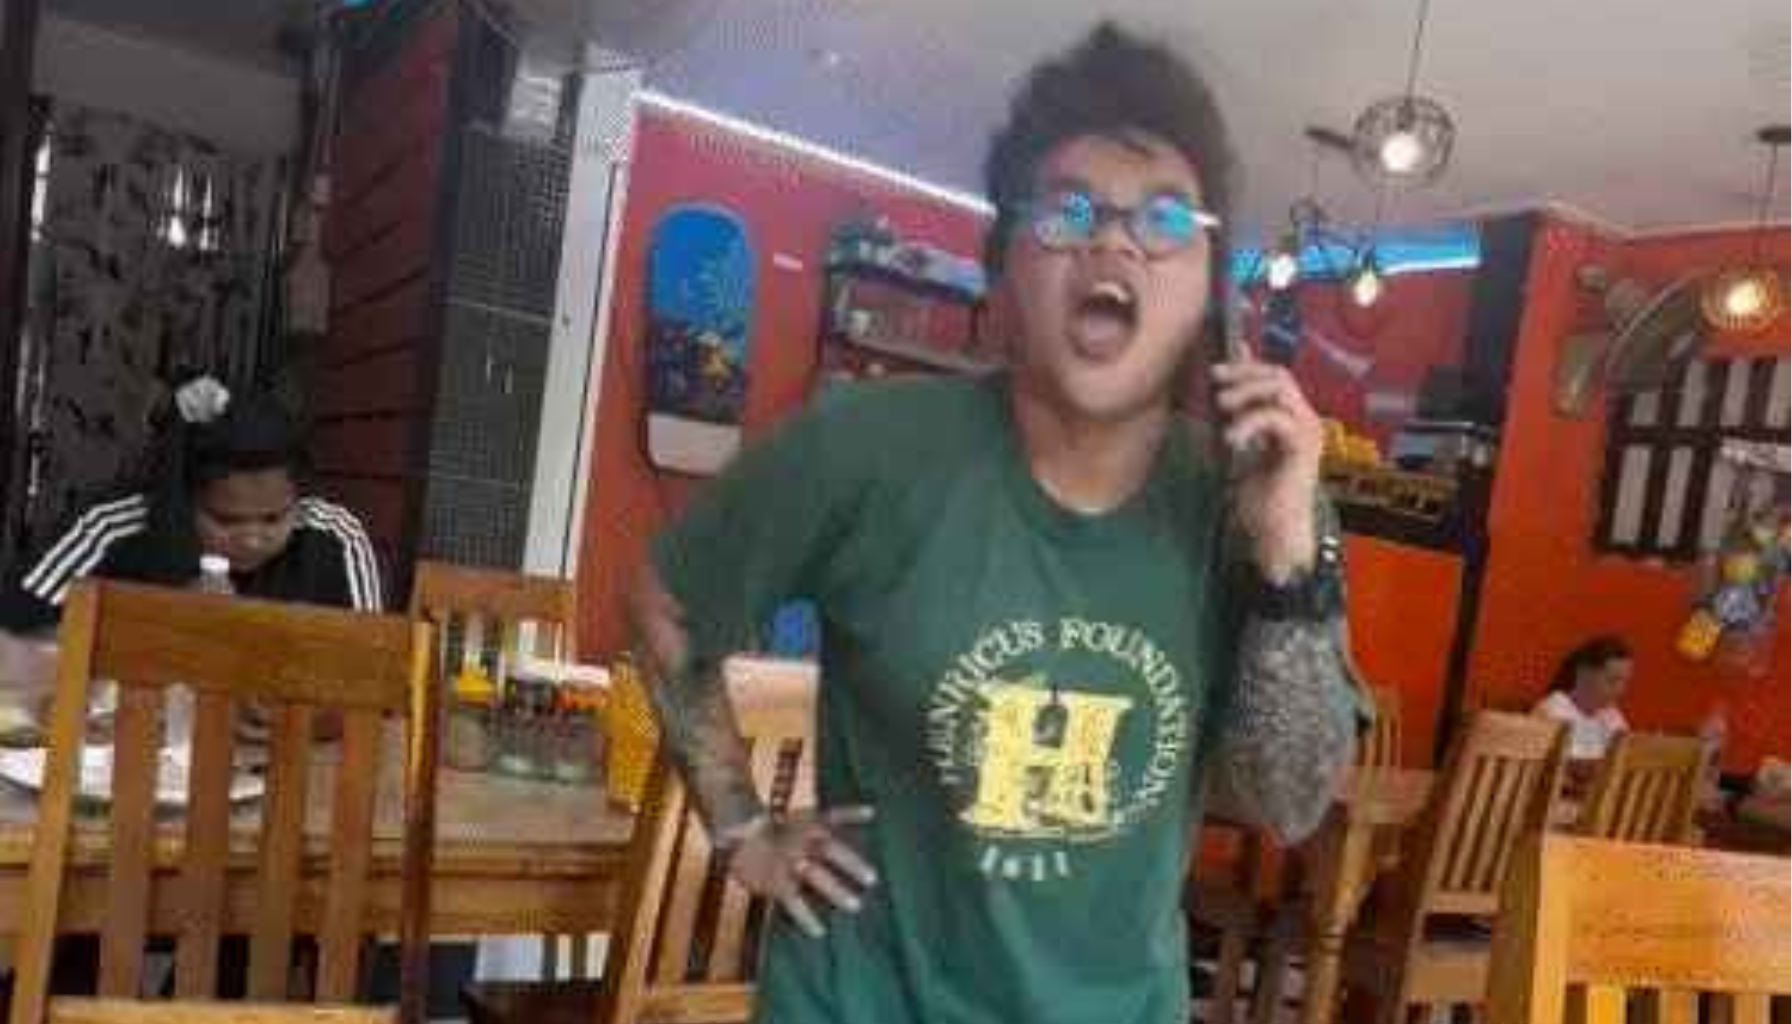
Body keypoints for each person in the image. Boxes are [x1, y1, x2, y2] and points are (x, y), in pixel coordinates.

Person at [630, 23, 1360, 1024]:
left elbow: (1290, 803)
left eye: (1163, 217)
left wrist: (1285, 559)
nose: (1112, 241)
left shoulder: (1260, 499)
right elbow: (667, 605)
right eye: (1068, 210)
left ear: (1209, 293)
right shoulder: (860, 446)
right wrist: (741, 829)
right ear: (1002, 271)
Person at [0, 375, 383, 718]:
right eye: (226, 520)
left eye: (274, 519)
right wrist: (166, 630)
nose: (252, 539)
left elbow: (377, 676)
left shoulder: (335, 536)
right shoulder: (113, 526)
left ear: (300, 500)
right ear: (183, 499)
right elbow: (8, 639)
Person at [1533, 635, 1632, 792]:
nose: (1620, 690)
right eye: (1612, 680)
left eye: (1624, 682)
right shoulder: (1554, 708)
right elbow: (1563, 768)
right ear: (1583, 673)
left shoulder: (1612, 715)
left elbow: (1628, 759)